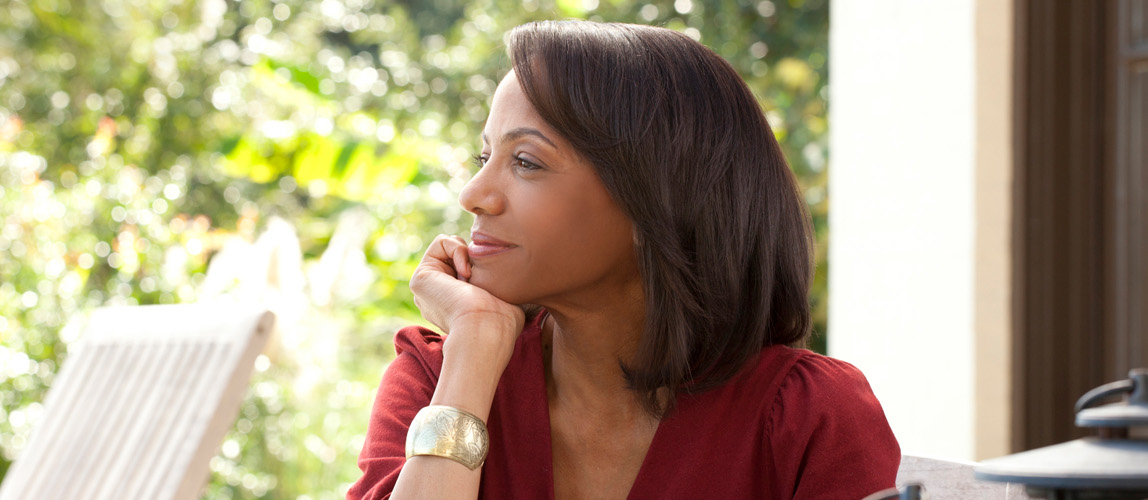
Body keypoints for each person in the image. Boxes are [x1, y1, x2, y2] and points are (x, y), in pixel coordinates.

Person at [347, 20, 900, 500]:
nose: (472, 193)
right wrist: (473, 348)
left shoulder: (808, 419)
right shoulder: (435, 381)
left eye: (525, 161)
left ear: (656, 199)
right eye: (483, 156)